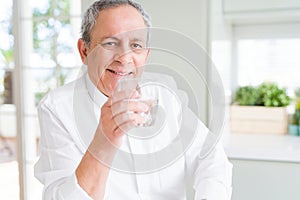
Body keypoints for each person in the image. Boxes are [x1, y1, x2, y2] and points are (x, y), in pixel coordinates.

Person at [34, 0, 232, 199]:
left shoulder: (165, 94)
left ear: (146, 55)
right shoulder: (57, 109)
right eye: (110, 43)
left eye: (136, 45)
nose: (124, 58)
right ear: (84, 51)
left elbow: (210, 156)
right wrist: (104, 141)